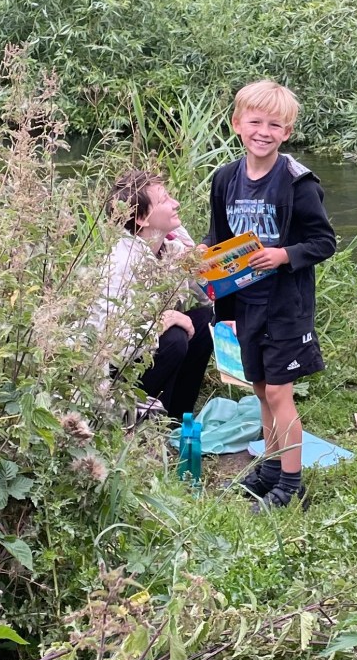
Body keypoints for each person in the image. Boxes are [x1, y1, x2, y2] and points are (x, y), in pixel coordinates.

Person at [206, 80, 336, 511]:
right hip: (244, 304)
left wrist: (282, 254)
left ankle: (292, 484)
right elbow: (218, 240)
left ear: (287, 132)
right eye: (255, 121)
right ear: (237, 124)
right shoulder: (225, 179)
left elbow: (323, 242)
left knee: (280, 393)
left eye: (274, 125)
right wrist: (202, 267)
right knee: (261, 389)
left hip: (286, 306)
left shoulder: (298, 183)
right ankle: (271, 467)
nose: (263, 131)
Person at [86, 170, 214, 424]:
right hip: (113, 377)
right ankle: (139, 421)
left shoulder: (168, 247)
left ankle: (177, 418)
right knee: (176, 338)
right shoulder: (120, 264)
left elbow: (207, 295)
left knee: (205, 321)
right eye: (165, 200)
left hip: (141, 351)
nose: (175, 203)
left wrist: (199, 258)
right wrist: (163, 320)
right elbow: (112, 346)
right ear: (143, 218)